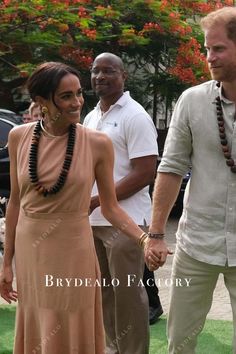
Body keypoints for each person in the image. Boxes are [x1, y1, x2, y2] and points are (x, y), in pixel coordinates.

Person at [0, 61, 161, 354]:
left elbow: (110, 207)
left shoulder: (97, 143)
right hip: (30, 249)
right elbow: (14, 202)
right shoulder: (18, 137)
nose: (77, 102)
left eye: (78, 93)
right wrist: (6, 262)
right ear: (41, 102)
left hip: (74, 249)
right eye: (66, 96)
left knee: (72, 317)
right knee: (38, 318)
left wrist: (145, 238)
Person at [149, 6, 236, 353]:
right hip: (195, 243)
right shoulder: (192, 100)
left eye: (218, 48)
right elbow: (170, 167)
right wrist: (156, 234)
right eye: (206, 49)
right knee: (180, 342)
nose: (209, 57)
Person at [83, 52, 163, 354]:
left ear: (123, 76)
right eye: (95, 71)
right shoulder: (91, 117)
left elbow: (145, 173)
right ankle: (111, 348)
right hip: (93, 221)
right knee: (103, 291)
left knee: (128, 293)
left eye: (108, 71)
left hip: (126, 223)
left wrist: (97, 201)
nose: (100, 77)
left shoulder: (135, 115)